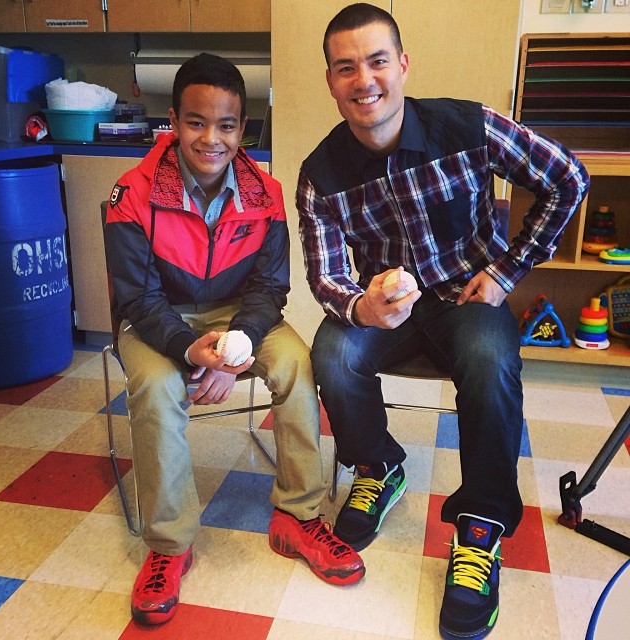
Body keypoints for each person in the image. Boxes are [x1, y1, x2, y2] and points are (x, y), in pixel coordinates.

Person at [296, 5, 589, 640]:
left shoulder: (470, 126)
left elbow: (568, 178)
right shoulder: (320, 175)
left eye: (377, 61)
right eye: (346, 67)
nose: (364, 80)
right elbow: (324, 276)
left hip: (468, 300)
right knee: (333, 352)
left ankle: (481, 524)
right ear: (330, 80)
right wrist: (360, 305)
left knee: (488, 361)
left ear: (402, 65)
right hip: (388, 309)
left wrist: (511, 269)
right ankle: (378, 466)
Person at [104, 52, 364, 626]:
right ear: (173, 120)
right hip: (157, 316)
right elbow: (137, 298)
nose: (211, 138)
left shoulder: (265, 192)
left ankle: (298, 514)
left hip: (235, 315)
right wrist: (187, 349)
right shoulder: (133, 192)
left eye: (226, 125)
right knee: (153, 385)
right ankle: (169, 546)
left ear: (243, 128)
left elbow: (271, 286)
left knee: (298, 359)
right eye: (196, 122)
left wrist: (234, 350)